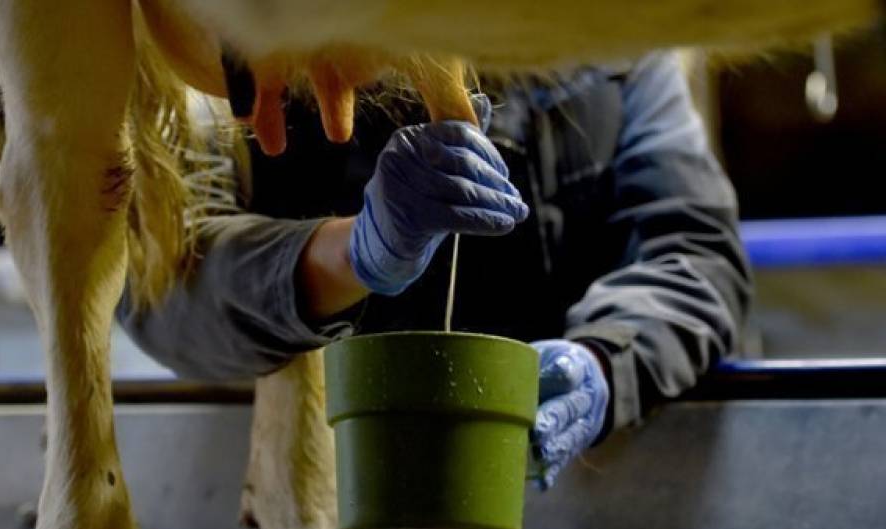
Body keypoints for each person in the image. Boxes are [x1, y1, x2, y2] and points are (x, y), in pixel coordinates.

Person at [117, 51, 752, 489]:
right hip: (327, 516)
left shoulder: (617, 48)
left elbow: (691, 253)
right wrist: (351, 255)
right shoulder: (239, 47)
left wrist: (603, 362)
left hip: (575, 505)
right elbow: (159, 284)